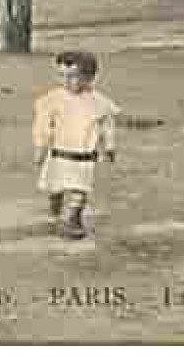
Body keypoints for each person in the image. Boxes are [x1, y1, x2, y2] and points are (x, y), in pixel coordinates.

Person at [33, 51, 120, 240]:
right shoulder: (52, 100)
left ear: (89, 78)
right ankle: (55, 205)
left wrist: (110, 146)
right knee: (54, 187)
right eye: (61, 75)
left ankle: (74, 217)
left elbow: (107, 125)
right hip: (58, 155)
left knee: (80, 189)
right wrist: (41, 147)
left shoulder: (98, 102)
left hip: (84, 156)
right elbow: (43, 126)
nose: (66, 81)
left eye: (72, 76)